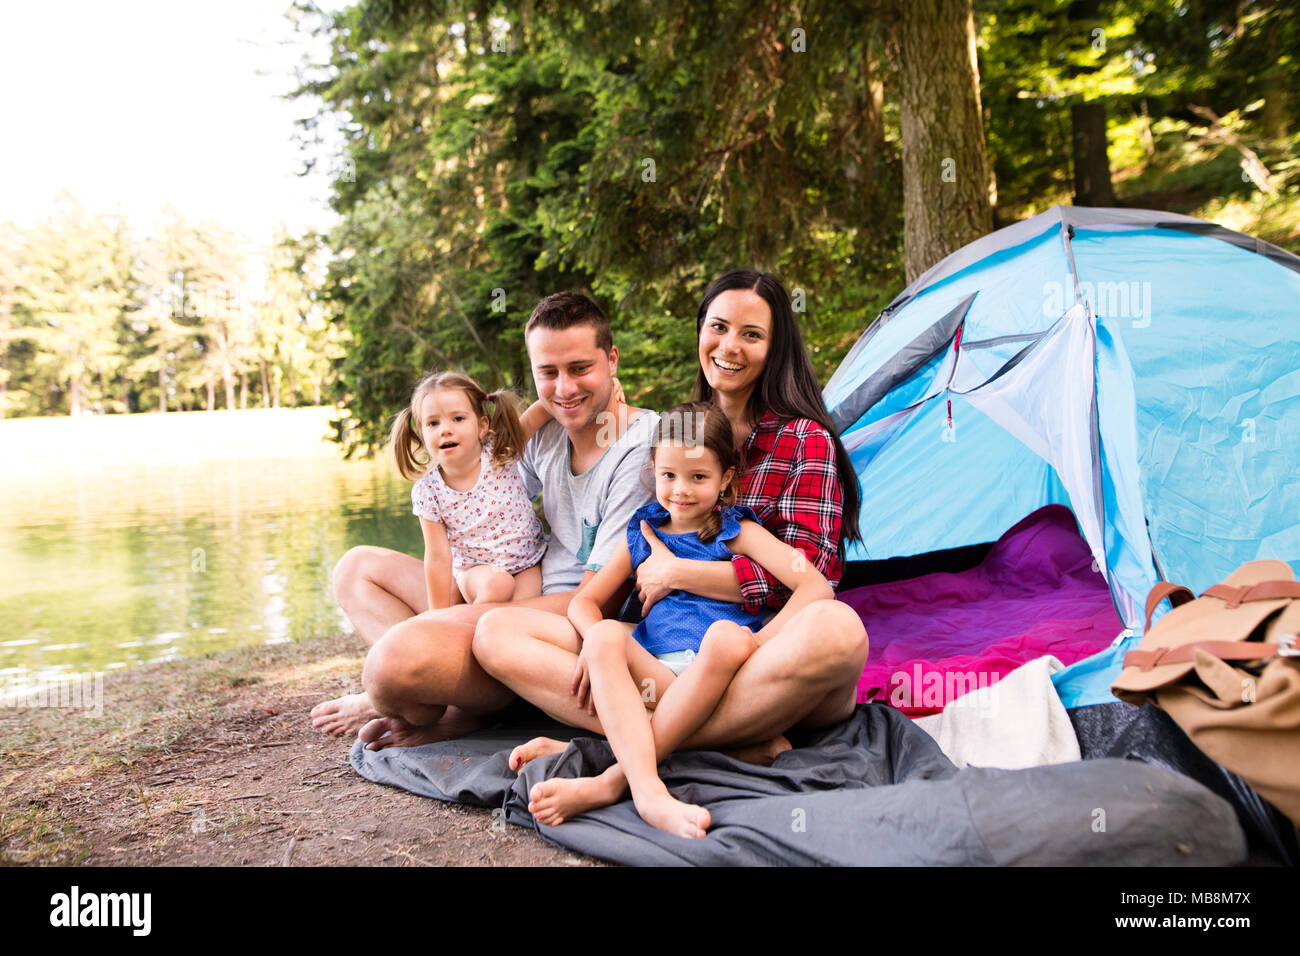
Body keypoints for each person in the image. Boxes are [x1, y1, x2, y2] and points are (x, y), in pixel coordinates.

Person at [474, 269, 868, 770]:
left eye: (752, 334)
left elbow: (813, 581)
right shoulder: (680, 426)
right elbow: (582, 424)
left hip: (761, 655)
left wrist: (681, 576)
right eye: (719, 327)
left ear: (776, 347)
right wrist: (542, 408)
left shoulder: (802, 438)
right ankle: (720, 741)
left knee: (839, 630)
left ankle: (614, 752)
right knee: (495, 633)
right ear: (701, 330)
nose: (730, 346)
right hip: (663, 654)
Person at [311, 291, 658, 746]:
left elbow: (602, 599)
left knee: (389, 666)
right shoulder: (550, 431)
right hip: (503, 595)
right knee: (356, 570)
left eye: (580, 369)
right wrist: (460, 599)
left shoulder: (641, 450)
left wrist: (470, 617)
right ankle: (455, 696)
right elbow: (490, 481)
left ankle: (449, 701)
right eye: (547, 373)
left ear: (611, 360)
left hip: (562, 625)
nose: (565, 388)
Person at [526, 402, 834, 838]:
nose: (681, 491)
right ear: (653, 469)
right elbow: (583, 602)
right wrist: (594, 644)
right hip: (659, 678)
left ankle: (617, 781)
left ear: (726, 477)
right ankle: (704, 758)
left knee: (727, 637)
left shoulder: (736, 531)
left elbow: (816, 587)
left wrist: (760, 643)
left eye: (699, 477)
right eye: (669, 476)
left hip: (725, 676)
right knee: (606, 637)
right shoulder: (642, 532)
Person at [392, 371, 547, 608]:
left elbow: (542, 409)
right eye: (433, 423)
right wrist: (438, 614)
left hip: (528, 562)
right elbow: (437, 558)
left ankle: (481, 636)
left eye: (458, 419)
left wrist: (608, 392)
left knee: (523, 610)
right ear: (422, 435)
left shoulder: (501, 455)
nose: (445, 429)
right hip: (477, 573)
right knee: (499, 584)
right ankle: (463, 625)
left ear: (482, 426)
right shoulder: (429, 492)